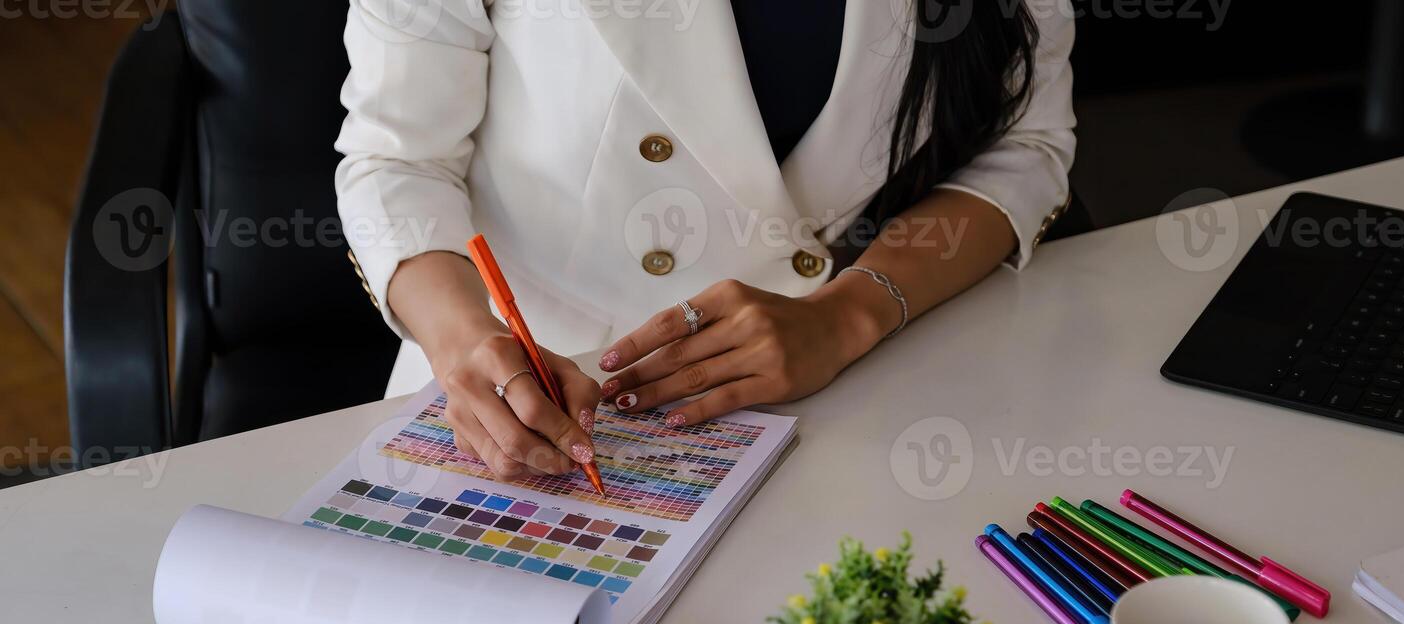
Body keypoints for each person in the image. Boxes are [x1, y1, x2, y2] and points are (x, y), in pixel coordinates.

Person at [337, 0, 1075, 478]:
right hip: (535, 397)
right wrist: (465, 341)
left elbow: (1022, 146)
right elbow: (397, 159)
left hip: (835, 389)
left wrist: (847, 315)